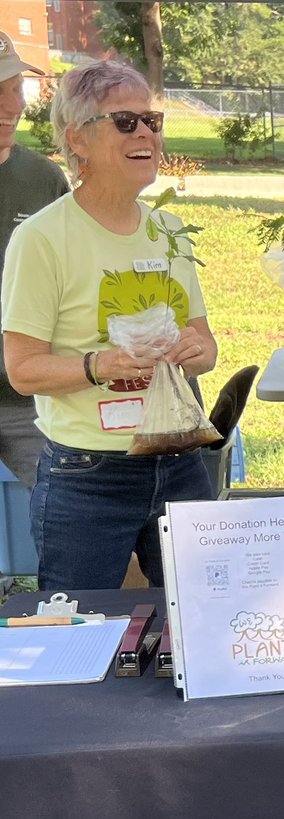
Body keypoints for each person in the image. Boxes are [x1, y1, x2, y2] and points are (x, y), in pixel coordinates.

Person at [2, 60, 218, 589]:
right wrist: (104, 365)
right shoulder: (42, 238)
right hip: (87, 474)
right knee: (84, 631)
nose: (146, 132)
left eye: (152, 120)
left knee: (200, 619)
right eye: (125, 121)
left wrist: (194, 352)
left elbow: (207, 347)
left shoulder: (169, 231)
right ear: (77, 139)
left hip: (179, 460)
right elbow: (23, 371)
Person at [0, 31, 69, 490]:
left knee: (74, 533)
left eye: (15, 87)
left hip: (31, 402)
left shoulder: (43, 179)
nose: (13, 105)